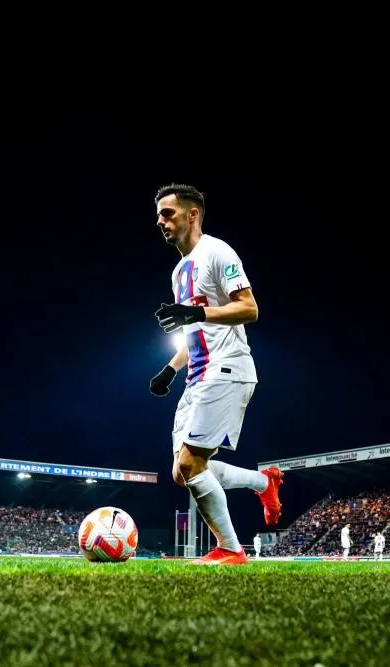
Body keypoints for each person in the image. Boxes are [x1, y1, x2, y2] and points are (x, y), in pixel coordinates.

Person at [149, 183, 284, 566]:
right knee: (182, 472)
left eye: (168, 213)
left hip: (227, 369)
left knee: (192, 465)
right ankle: (264, 482)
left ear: (192, 214)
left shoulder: (217, 251)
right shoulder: (179, 272)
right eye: (158, 215)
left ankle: (231, 549)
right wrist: (169, 370)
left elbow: (249, 308)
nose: (161, 221)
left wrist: (197, 313)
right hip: (196, 376)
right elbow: (195, 331)